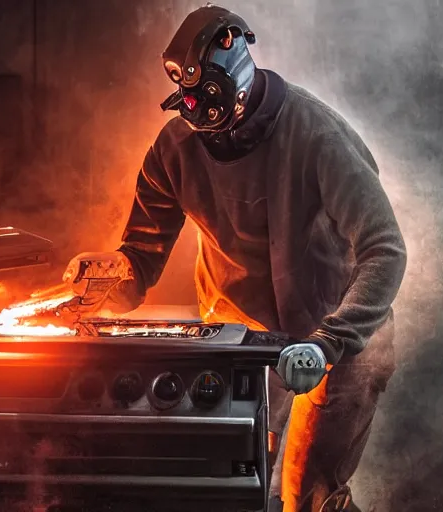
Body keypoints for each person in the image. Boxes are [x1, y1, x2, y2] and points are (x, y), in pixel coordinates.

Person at [64, 4, 407, 511]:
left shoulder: (317, 137)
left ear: (238, 79)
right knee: (230, 487)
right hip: (243, 343)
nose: (206, 130)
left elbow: (386, 249)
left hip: (337, 339)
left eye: (210, 104)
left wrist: (331, 341)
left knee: (308, 497)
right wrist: (110, 278)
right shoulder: (176, 146)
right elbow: (140, 258)